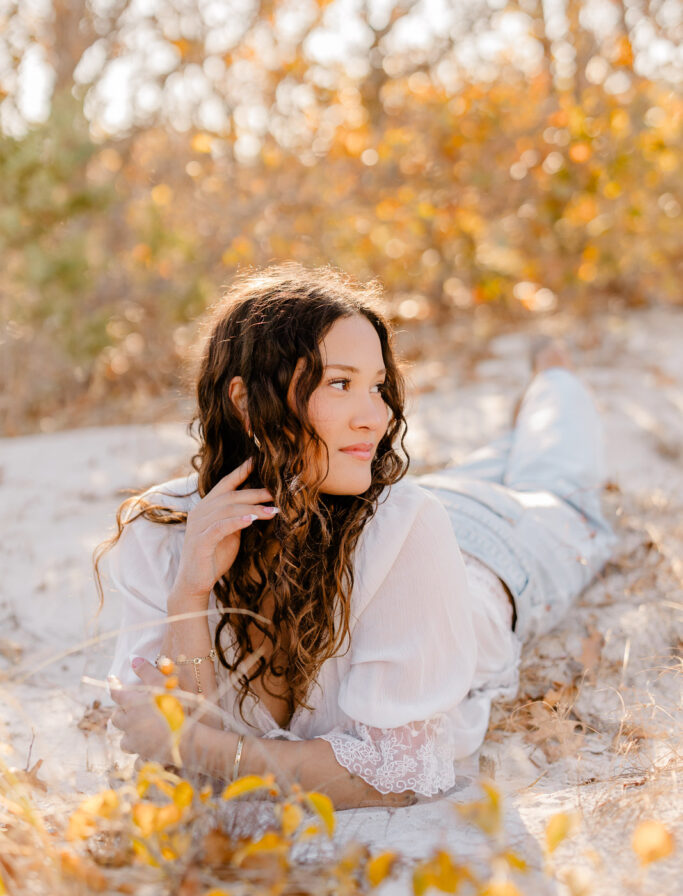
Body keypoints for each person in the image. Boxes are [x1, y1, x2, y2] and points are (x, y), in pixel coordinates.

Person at [102, 264, 616, 810]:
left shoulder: (409, 523)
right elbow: (168, 754)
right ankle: (516, 429)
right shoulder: (162, 528)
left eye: (376, 386)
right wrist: (190, 593)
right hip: (410, 504)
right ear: (246, 402)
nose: (377, 416)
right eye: (340, 383)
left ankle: (552, 377)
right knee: (495, 466)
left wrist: (205, 749)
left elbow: (399, 777)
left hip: (490, 553)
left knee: (561, 487)